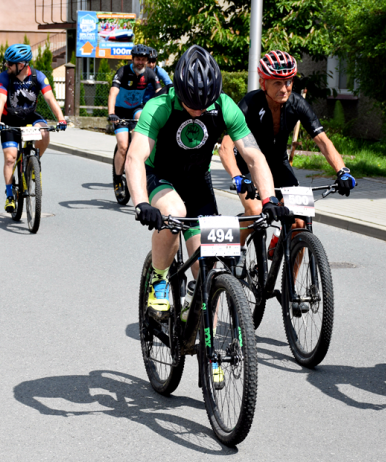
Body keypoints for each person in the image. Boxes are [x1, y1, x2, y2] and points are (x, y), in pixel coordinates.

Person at [125, 45, 288, 317]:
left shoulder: (224, 106)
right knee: (174, 213)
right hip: (160, 176)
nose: (198, 110)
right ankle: (158, 279)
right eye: (191, 104)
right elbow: (135, 158)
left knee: (208, 267)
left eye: (205, 104)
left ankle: (202, 333)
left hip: (197, 181)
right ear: (178, 90)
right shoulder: (159, 106)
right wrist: (141, 202)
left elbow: (254, 156)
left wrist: (269, 198)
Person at [219, 50, 356, 244]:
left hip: (279, 164)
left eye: (289, 81)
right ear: (263, 83)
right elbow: (225, 148)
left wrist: (342, 171)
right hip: (248, 166)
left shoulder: (297, 103)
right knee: (256, 211)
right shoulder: (250, 103)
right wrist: (237, 177)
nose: (285, 88)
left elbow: (323, 142)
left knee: (301, 223)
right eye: (277, 82)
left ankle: (285, 259)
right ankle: (235, 253)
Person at [0, 44, 67, 212]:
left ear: (22, 64)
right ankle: (10, 195)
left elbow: (50, 99)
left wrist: (61, 119)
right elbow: (1, 100)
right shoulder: (4, 77)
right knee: (10, 158)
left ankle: (35, 162)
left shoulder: (38, 76)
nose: (7, 65)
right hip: (9, 119)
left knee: (45, 132)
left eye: (10, 63)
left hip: (29, 116)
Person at [108, 44, 161, 186]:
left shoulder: (149, 73)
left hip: (136, 109)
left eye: (143, 59)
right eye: (138, 59)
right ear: (132, 59)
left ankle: (138, 157)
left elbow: (159, 93)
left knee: (142, 117)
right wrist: (111, 113)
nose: (141, 62)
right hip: (120, 111)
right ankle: (118, 179)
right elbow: (113, 92)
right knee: (123, 146)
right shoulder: (123, 71)